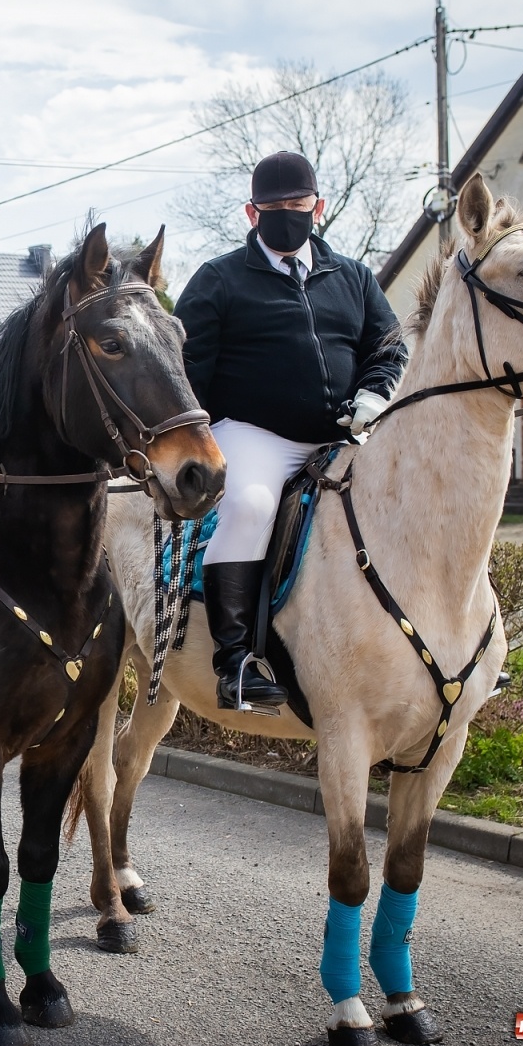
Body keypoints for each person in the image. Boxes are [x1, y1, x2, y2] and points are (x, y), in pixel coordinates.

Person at [177, 151, 405, 709]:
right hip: (255, 435)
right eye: (273, 207)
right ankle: (235, 663)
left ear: (318, 207)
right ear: (251, 214)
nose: (287, 215)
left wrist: (374, 394)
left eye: (298, 205)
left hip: (346, 435)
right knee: (250, 506)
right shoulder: (217, 279)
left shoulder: (354, 276)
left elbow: (389, 346)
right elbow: (184, 372)